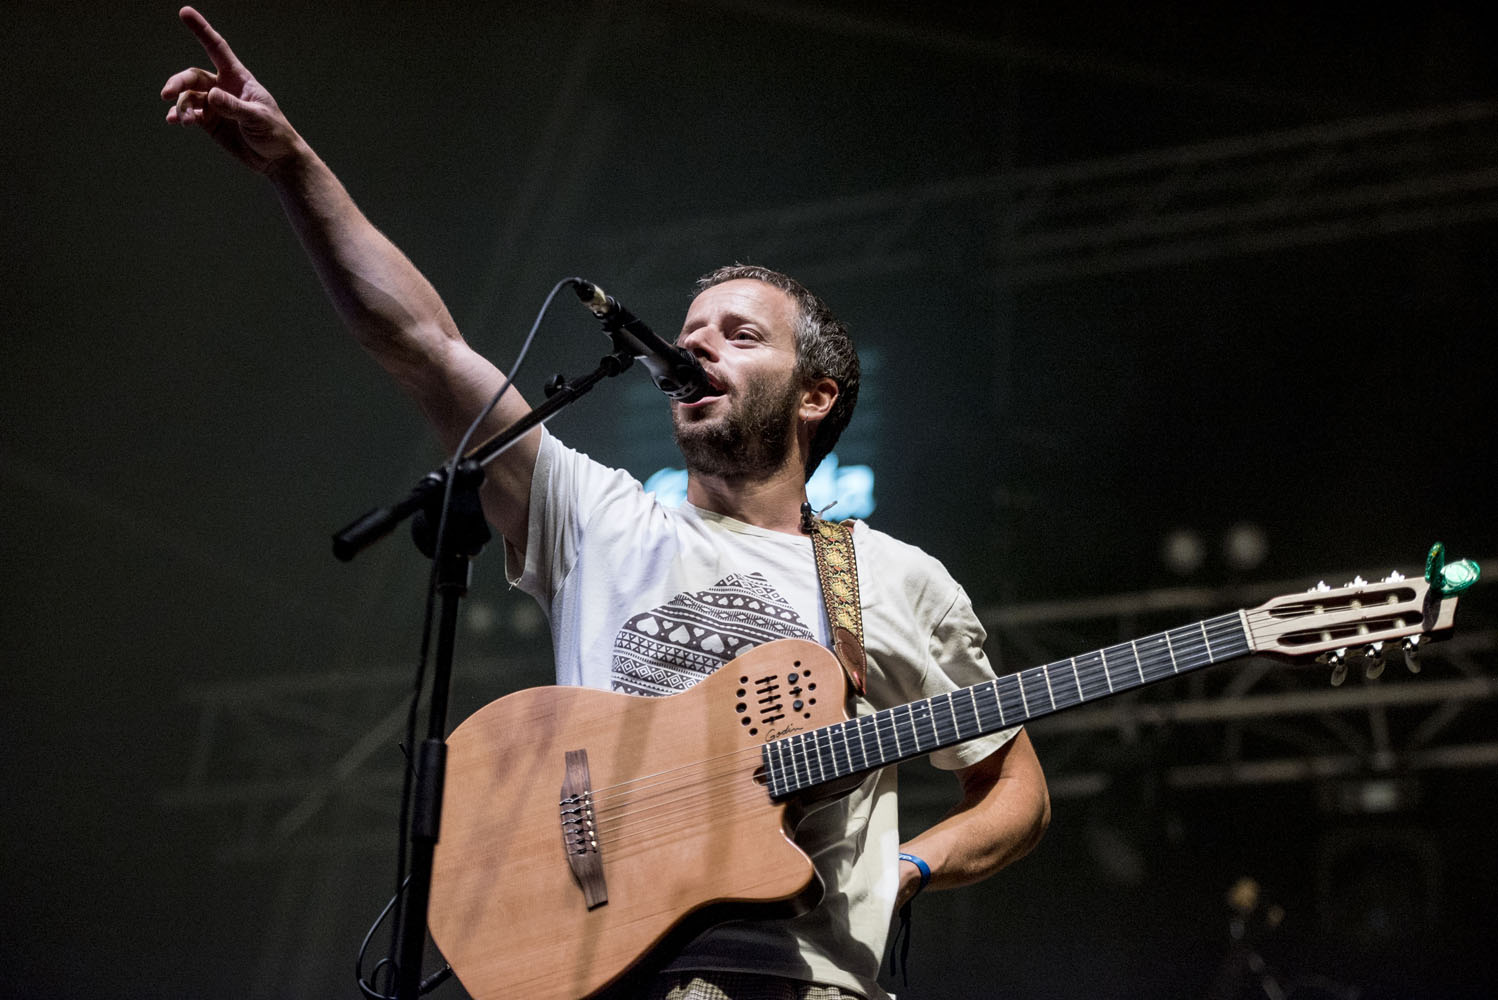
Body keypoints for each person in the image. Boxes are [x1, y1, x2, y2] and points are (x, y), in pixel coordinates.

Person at [162, 7, 1050, 999]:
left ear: (815, 396)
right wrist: (294, 168)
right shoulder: (600, 516)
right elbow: (423, 344)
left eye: (741, 334)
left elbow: (1013, 785)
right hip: (603, 973)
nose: (698, 343)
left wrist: (909, 867)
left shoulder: (892, 578)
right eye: (692, 330)